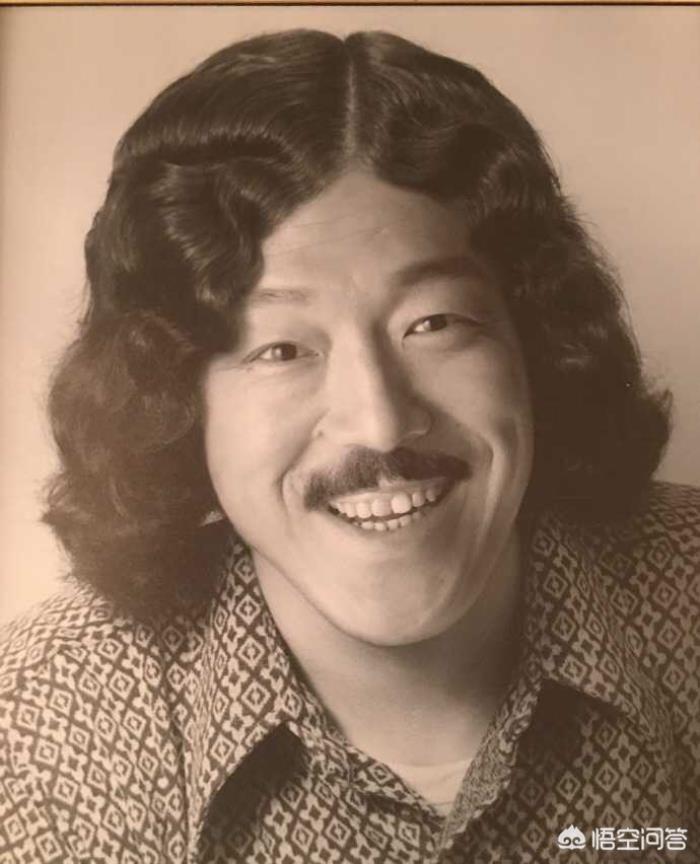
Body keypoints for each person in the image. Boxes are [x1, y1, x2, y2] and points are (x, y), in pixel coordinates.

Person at [0, 29, 697, 863]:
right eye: (281, 348)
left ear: (533, 346)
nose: (380, 423)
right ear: (177, 401)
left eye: (433, 323)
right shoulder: (43, 728)